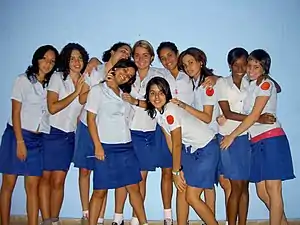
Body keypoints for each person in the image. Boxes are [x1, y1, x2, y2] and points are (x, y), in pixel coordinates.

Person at [220, 49, 295, 225]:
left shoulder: (265, 84)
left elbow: (254, 116)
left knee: (273, 189)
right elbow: (229, 82)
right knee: (261, 192)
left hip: (271, 139)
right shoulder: (250, 83)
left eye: (256, 66)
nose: (251, 70)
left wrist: (232, 136)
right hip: (255, 141)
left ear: (264, 68)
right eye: (250, 66)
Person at [145, 77, 219, 225]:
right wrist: (179, 169)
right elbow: (170, 142)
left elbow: (177, 142)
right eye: (152, 93)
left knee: (192, 197)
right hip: (191, 150)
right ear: (147, 96)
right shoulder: (159, 114)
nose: (156, 97)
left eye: (160, 92)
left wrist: (176, 171)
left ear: (167, 93)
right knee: (182, 189)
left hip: (206, 148)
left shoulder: (170, 111)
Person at [0, 45, 58, 225]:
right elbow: (15, 112)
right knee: (9, 184)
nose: (47, 64)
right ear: (37, 59)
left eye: (52, 61)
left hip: (38, 139)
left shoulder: (51, 85)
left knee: (32, 187)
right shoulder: (23, 80)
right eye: (45, 59)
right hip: (16, 136)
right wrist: (19, 141)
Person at [85, 58, 148, 225]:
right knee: (100, 190)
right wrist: (97, 146)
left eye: (130, 76)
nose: (126, 75)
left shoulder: (124, 94)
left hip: (126, 147)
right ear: (116, 68)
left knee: (134, 187)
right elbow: (90, 119)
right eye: (125, 70)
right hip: (105, 147)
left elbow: (149, 106)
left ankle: (144, 222)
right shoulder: (98, 90)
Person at [75, 42, 132, 225]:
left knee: (103, 174)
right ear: (113, 52)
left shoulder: (122, 76)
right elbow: (82, 98)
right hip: (88, 125)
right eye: (122, 51)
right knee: (85, 170)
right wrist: (103, 84)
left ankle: (99, 217)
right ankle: (86, 213)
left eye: (128, 53)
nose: (125, 54)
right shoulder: (95, 70)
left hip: (108, 131)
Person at [39, 43, 88, 225]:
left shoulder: (85, 81)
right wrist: (76, 92)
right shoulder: (58, 77)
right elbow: (52, 107)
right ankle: (46, 220)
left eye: (80, 58)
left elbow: (82, 107)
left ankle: (54, 219)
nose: (76, 62)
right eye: (72, 58)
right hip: (51, 133)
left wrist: (82, 88)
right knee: (46, 178)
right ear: (66, 60)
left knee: (59, 180)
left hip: (69, 136)